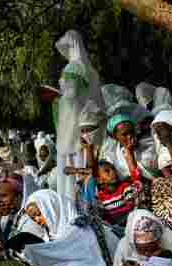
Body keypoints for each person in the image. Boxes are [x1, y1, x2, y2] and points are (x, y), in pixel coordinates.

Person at [55, 29, 104, 200]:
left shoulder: (72, 67)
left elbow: (71, 94)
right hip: (89, 124)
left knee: (71, 173)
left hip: (71, 124)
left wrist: (57, 96)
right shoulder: (91, 70)